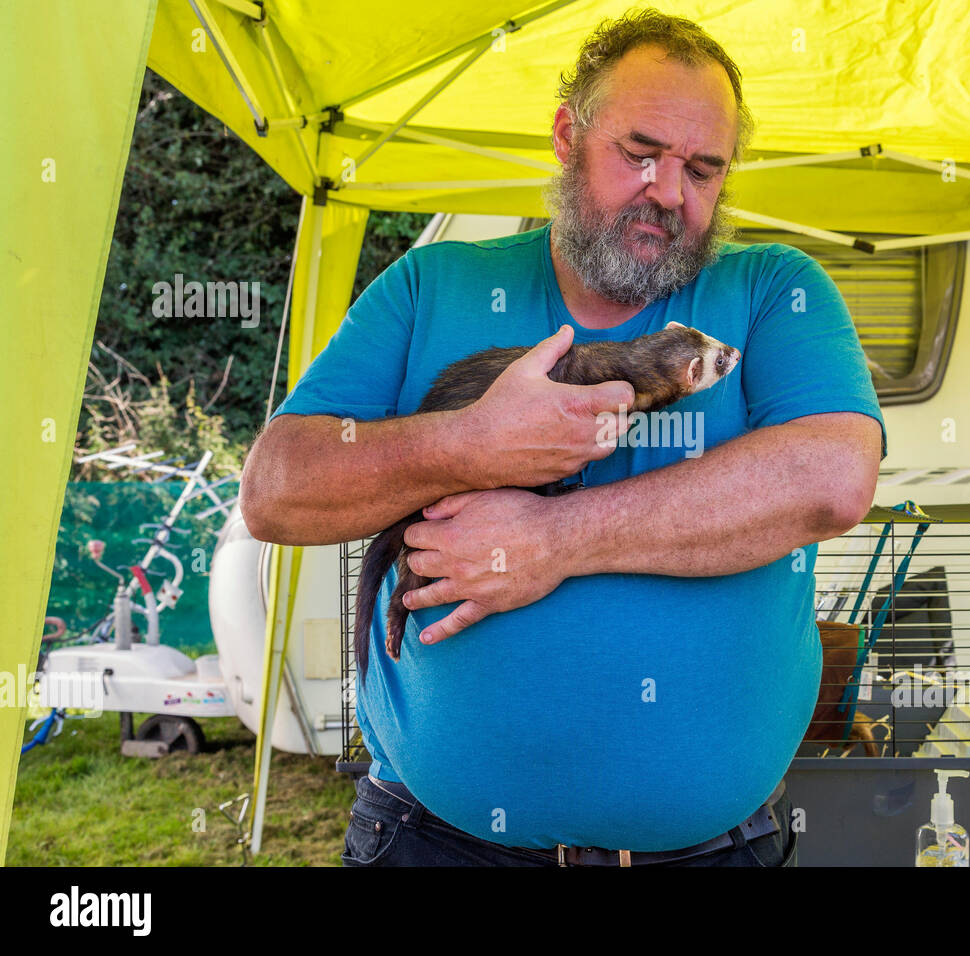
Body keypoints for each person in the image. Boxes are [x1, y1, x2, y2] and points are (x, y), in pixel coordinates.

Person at [239, 8, 887, 866]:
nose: (669, 189)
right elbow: (276, 492)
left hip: (709, 851)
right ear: (565, 135)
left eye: (703, 167)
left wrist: (552, 539)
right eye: (639, 151)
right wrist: (469, 445)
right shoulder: (434, 284)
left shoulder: (775, 290)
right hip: (434, 842)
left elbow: (833, 478)